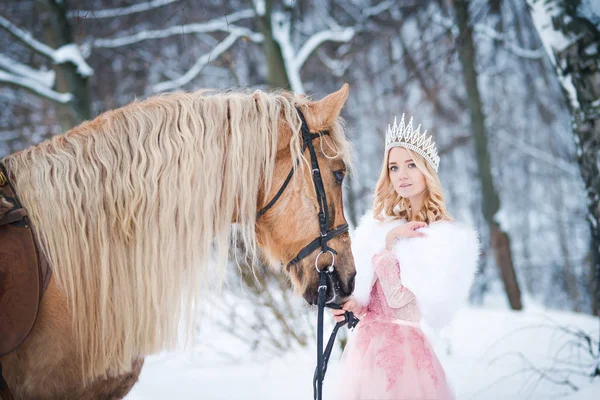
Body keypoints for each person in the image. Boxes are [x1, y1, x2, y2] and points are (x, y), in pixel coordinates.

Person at [332, 115, 479, 400]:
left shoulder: (442, 237)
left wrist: (389, 245)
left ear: (427, 171)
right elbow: (373, 299)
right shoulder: (379, 225)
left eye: (411, 165)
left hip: (406, 356)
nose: (402, 174)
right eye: (394, 167)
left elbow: (402, 303)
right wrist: (353, 304)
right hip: (365, 354)